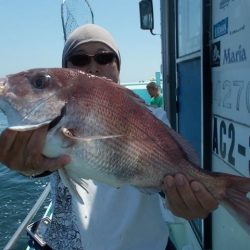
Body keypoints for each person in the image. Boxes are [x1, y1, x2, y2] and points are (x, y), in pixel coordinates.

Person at [0, 24, 218, 250]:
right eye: (79, 59)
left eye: (104, 57)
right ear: (67, 69)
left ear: (118, 65)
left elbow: (163, 182)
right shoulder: (46, 125)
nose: (93, 67)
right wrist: (27, 167)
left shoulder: (155, 118)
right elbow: (43, 163)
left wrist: (183, 199)